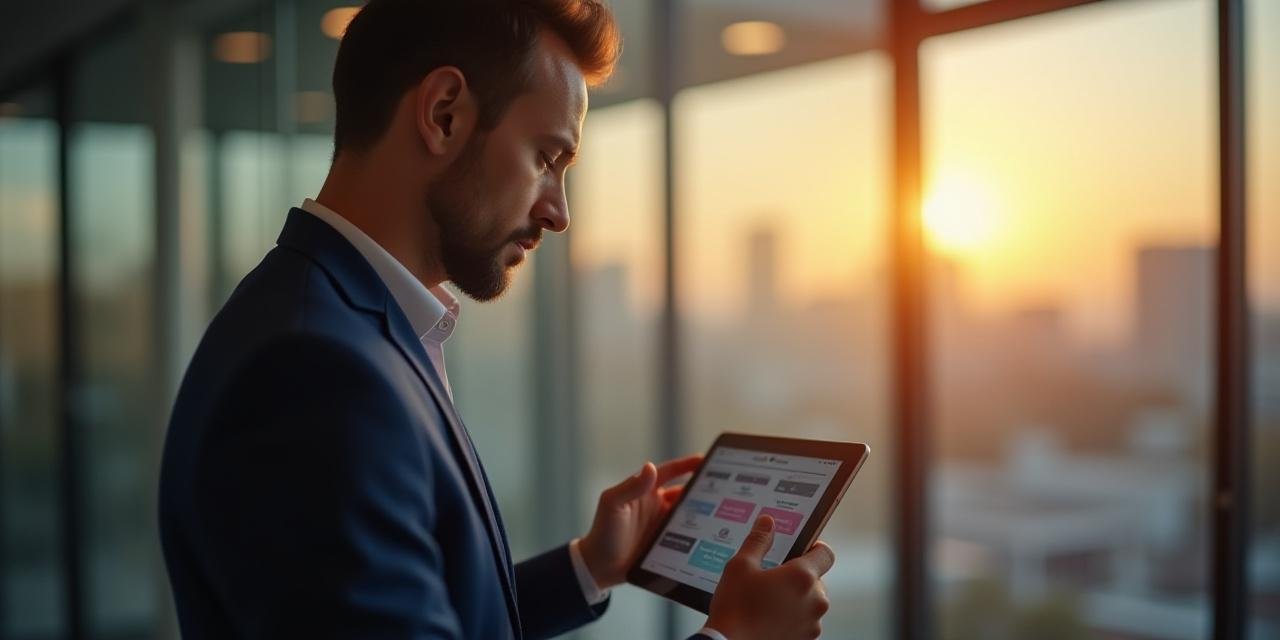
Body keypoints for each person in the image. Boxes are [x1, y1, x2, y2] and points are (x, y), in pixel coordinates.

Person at [158, 1, 835, 638]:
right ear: (444, 113)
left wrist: (587, 567)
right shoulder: (317, 375)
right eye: (547, 158)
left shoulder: (332, 320)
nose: (557, 212)